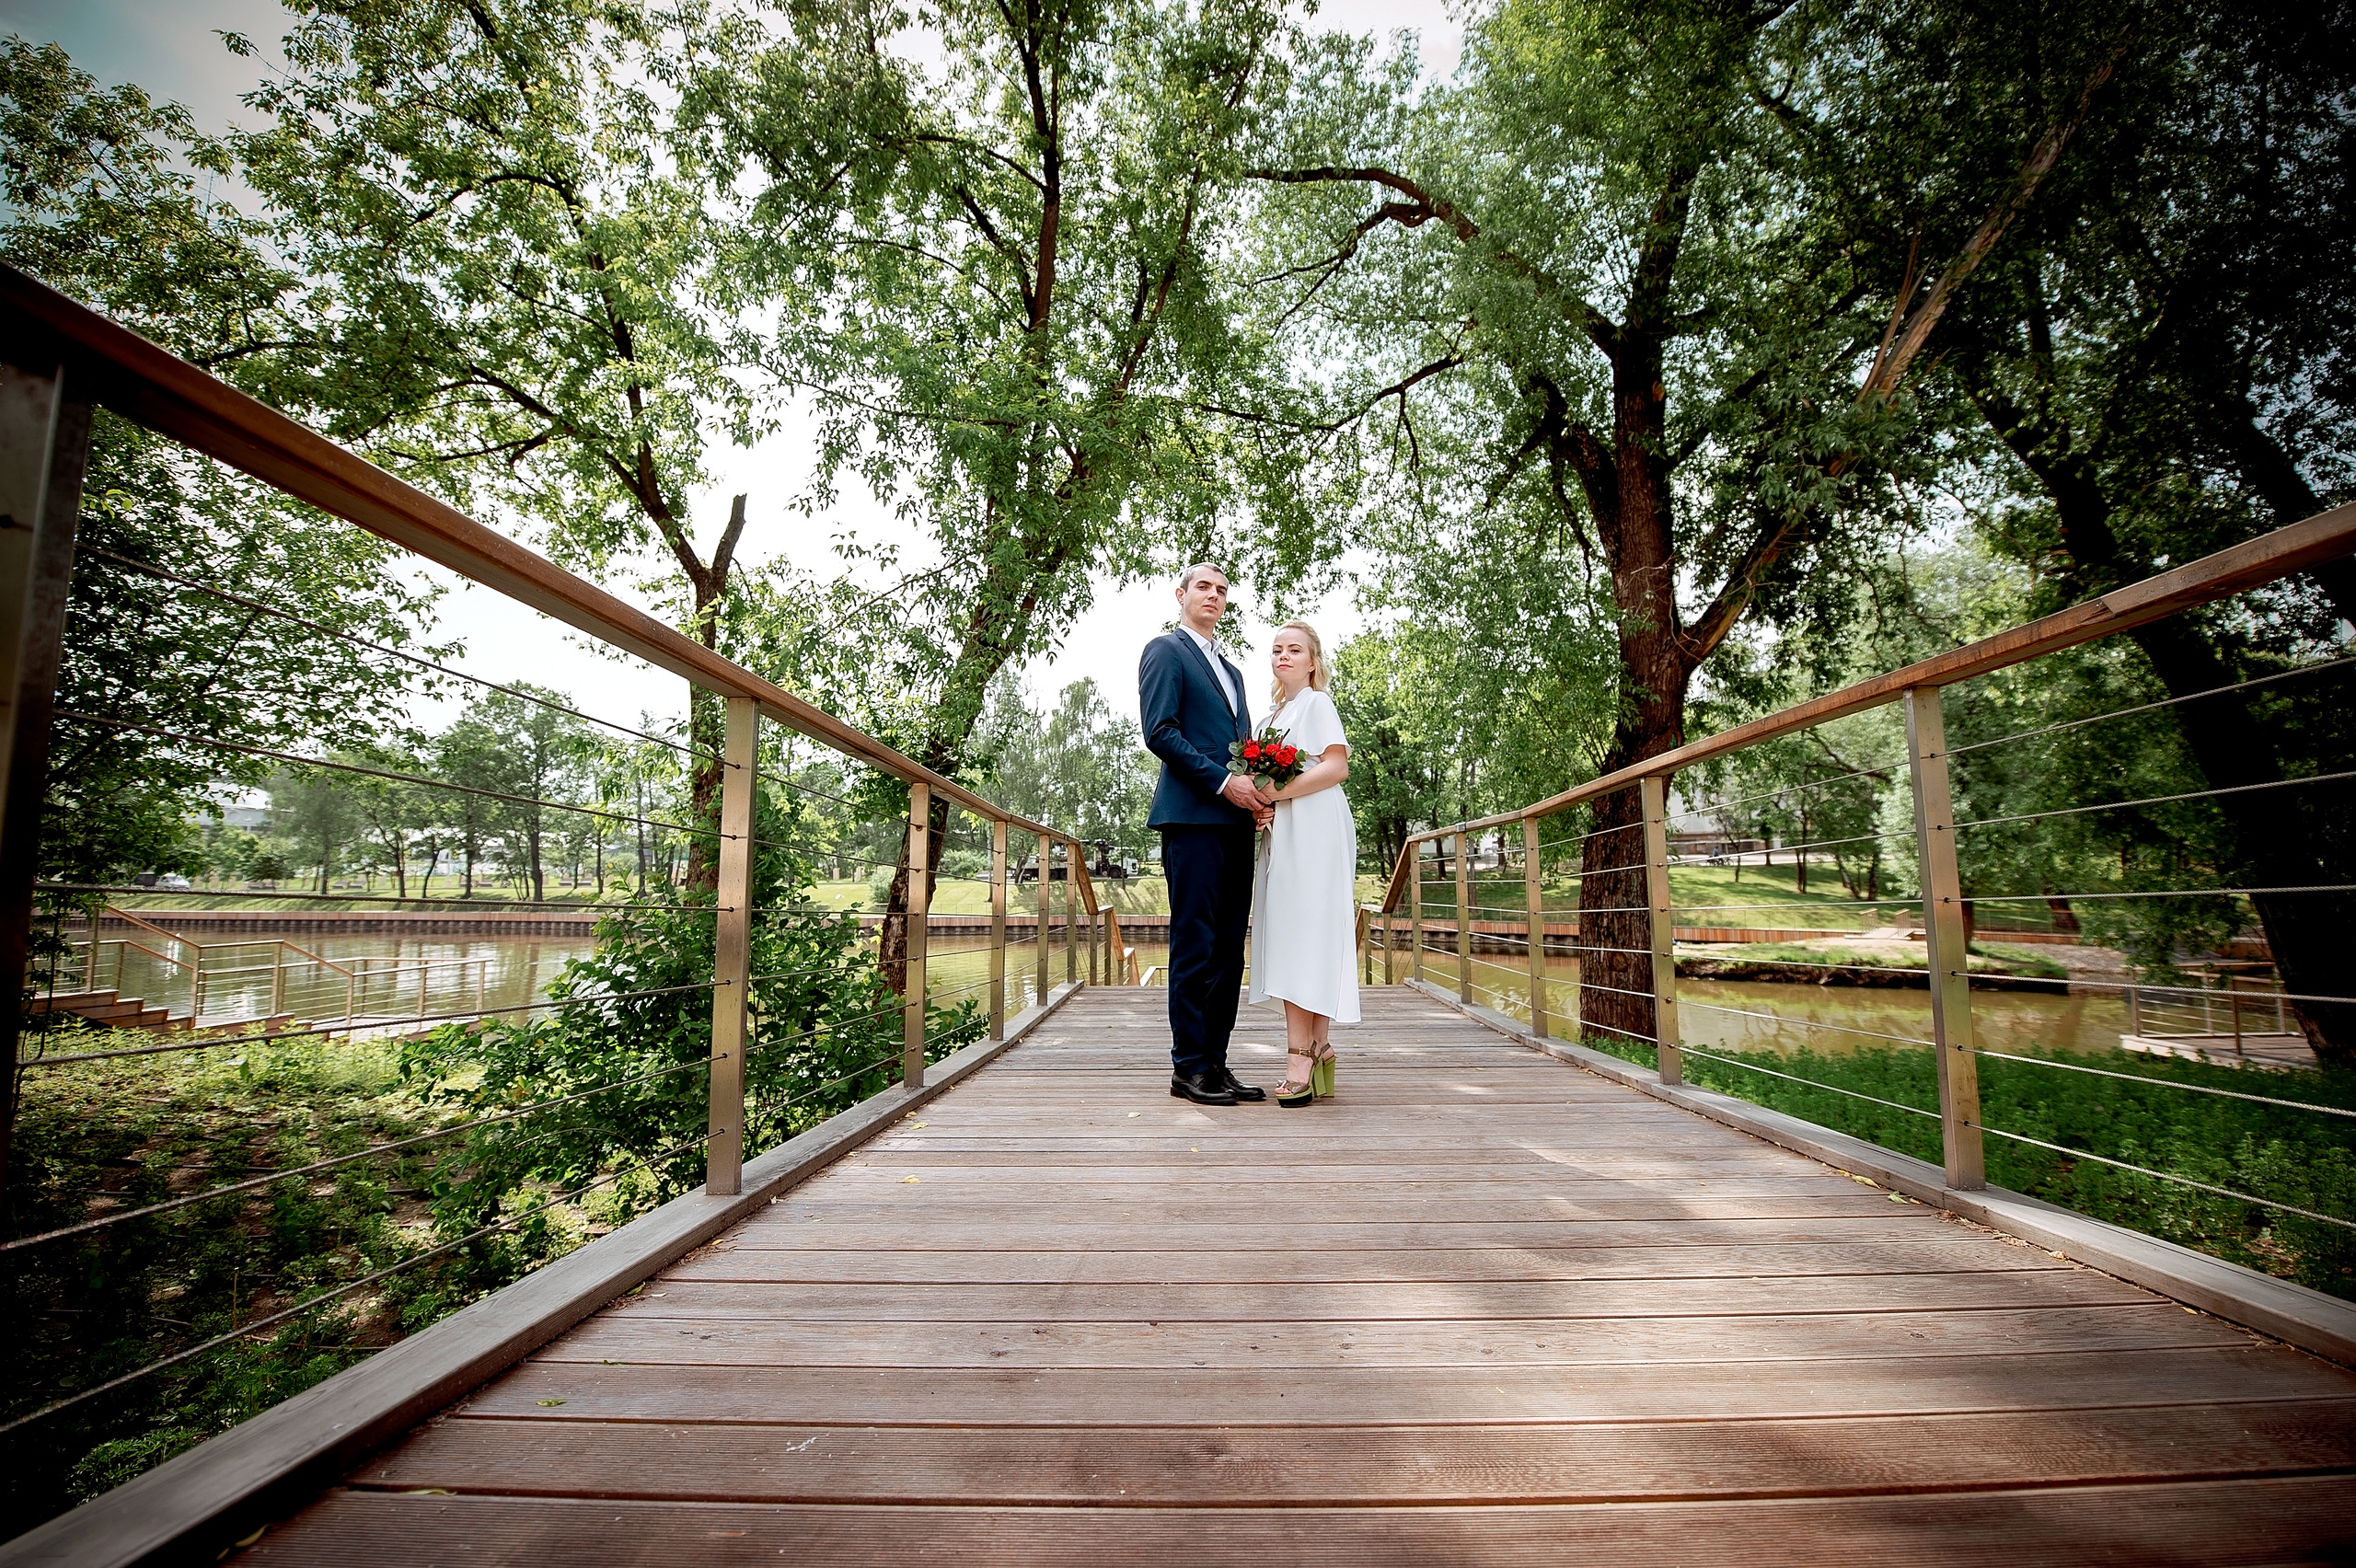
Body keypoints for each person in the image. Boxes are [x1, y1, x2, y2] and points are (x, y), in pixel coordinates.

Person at [1139, 563, 1269, 1106]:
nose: (1213, 595)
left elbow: (1240, 746)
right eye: (1203, 587)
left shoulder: (1234, 671)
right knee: (1195, 945)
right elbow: (1160, 731)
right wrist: (1223, 783)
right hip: (1193, 818)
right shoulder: (1165, 651)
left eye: (1221, 590)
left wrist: (1258, 794)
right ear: (1182, 594)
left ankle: (1216, 1063)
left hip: (1237, 824)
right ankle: (1187, 1067)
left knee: (1228, 951)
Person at [1244, 621, 1358, 1106]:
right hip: (1283, 830)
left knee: (1306, 933)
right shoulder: (1272, 716)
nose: (1283, 656)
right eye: (1277, 650)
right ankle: (1318, 1047)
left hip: (1315, 827)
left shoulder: (1317, 703)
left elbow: (1336, 767)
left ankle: (1299, 1058)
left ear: (1313, 661)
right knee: (1296, 932)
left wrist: (1277, 791)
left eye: (1295, 650)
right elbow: (1261, 779)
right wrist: (1261, 806)